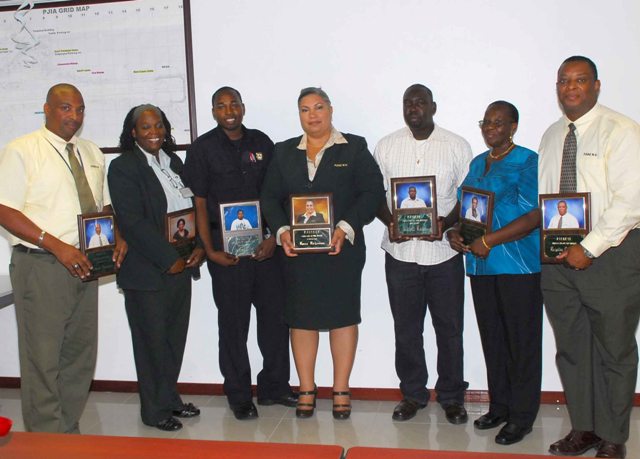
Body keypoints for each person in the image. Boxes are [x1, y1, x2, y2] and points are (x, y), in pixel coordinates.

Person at [0, 83, 126, 433]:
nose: (74, 115)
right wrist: (56, 245)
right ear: (47, 109)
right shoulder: (22, 150)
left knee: (79, 356)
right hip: (42, 265)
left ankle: (66, 432)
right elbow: (5, 209)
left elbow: (102, 205)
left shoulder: (91, 151)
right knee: (42, 359)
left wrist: (117, 237)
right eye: (66, 108)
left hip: (86, 264)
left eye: (80, 109)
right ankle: (45, 440)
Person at [260, 87, 384, 420]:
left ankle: (341, 389)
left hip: (340, 251)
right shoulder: (283, 151)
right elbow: (269, 197)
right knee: (301, 319)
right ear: (299, 115)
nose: (312, 115)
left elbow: (372, 192)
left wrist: (345, 226)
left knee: (343, 317)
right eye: (305, 109)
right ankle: (306, 388)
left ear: (330, 110)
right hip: (297, 254)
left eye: (318, 107)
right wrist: (282, 231)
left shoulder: (354, 147)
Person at [539, 56, 640, 459]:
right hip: (558, 263)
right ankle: (584, 428)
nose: (571, 88)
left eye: (580, 80)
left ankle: (613, 436)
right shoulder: (551, 135)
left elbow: (631, 202)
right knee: (572, 349)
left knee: (614, 349)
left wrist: (590, 246)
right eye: (564, 81)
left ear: (596, 86)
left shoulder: (621, 130)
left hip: (611, 255)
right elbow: (547, 200)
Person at [184, 87, 296, 420]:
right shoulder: (202, 149)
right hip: (226, 254)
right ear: (213, 112)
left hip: (265, 249)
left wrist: (273, 238)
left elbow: (277, 194)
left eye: (234, 104)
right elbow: (198, 204)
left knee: (275, 321)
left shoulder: (262, 143)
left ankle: (274, 387)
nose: (229, 110)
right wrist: (209, 250)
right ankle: (239, 394)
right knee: (233, 326)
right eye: (221, 106)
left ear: (243, 108)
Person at [374, 83, 471, 425]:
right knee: (406, 329)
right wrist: (390, 222)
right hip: (400, 255)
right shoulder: (386, 146)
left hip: (443, 255)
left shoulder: (456, 145)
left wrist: (447, 223)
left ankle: (451, 396)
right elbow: (374, 194)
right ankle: (413, 394)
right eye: (408, 103)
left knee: (450, 329)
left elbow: (468, 195)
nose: (413, 108)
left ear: (433, 107)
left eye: (420, 102)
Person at [446, 101, 542, 445]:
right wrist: (454, 232)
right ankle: (500, 406)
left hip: (518, 265)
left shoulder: (528, 161)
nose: (491, 128)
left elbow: (534, 215)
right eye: (486, 122)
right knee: (494, 339)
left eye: (499, 123)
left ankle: (522, 416)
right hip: (481, 266)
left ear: (513, 126)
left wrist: (490, 240)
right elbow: (467, 211)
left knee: (521, 342)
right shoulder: (477, 163)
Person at [108, 104, 205, 431]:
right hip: (147, 271)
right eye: (146, 127)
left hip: (181, 265)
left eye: (159, 125)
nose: (154, 132)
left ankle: (169, 398)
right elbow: (132, 222)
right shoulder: (123, 167)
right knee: (151, 343)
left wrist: (198, 247)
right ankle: (153, 411)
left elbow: (189, 208)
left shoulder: (173, 161)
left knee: (173, 340)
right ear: (133, 132)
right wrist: (168, 258)